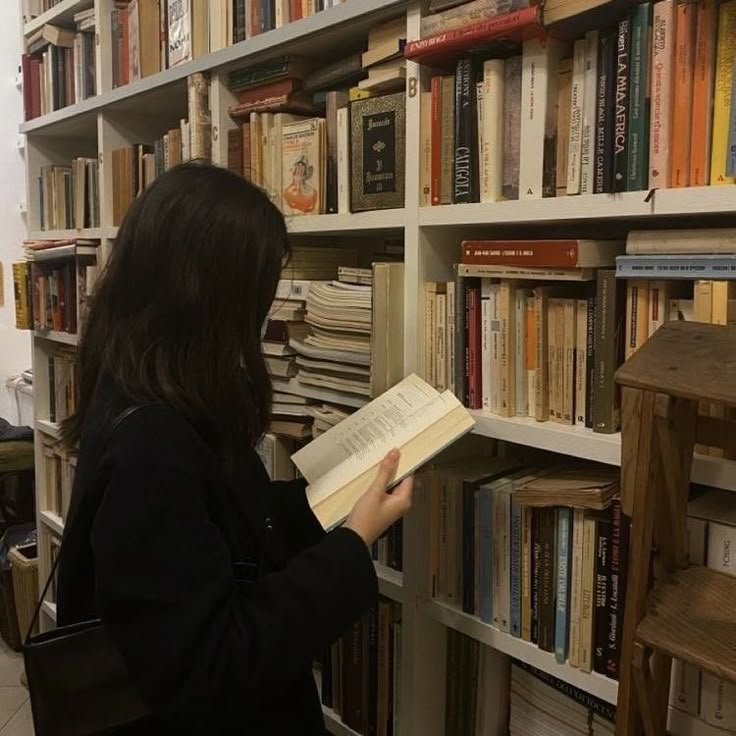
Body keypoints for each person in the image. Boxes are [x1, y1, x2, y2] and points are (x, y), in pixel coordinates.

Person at [57, 163, 414, 735]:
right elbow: (210, 669)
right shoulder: (153, 443)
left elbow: (217, 527)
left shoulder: (146, 381)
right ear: (208, 296)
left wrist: (331, 495)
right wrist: (354, 542)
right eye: (256, 292)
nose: (262, 312)